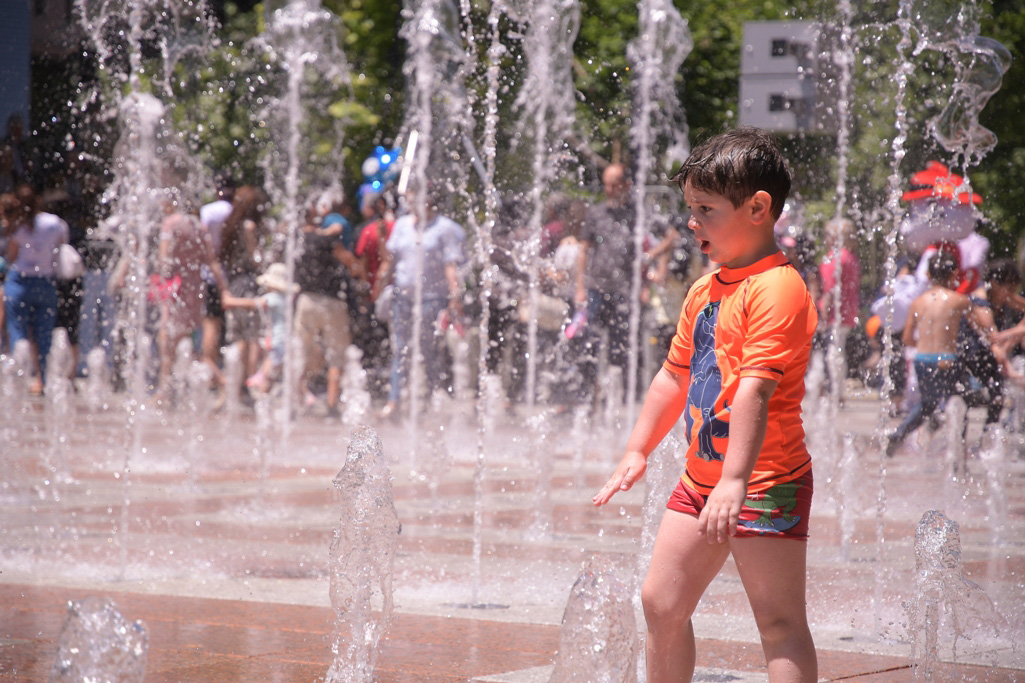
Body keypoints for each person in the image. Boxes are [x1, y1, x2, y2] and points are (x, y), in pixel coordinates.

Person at [592, 127, 819, 683]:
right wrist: (638, 448)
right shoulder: (705, 288)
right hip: (701, 479)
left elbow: (755, 390)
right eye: (690, 208)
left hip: (765, 481)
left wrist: (735, 481)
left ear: (758, 208)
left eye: (705, 209)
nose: (691, 222)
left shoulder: (777, 289)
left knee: (778, 622)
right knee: (661, 602)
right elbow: (674, 376)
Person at [884, 250, 996, 456]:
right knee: (959, 403)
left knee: (928, 403)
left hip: (922, 359)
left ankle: (900, 433)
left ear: (927, 275)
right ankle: (957, 454)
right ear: (955, 274)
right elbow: (983, 328)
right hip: (947, 359)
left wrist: (925, 346)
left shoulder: (918, 302)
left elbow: (907, 339)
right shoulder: (959, 300)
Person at [376, 184, 466, 420]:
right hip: (402, 297)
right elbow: (391, 259)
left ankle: (432, 398)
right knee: (401, 348)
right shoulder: (403, 225)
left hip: (433, 299)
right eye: (408, 201)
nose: (410, 205)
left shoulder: (445, 228)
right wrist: (380, 283)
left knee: (428, 348)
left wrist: (455, 297)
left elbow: (450, 265)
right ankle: (394, 402)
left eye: (414, 200)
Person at [574, 163, 639, 399]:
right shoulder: (596, 213)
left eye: (613, 185)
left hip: (623, 291)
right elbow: (584, 250)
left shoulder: (635, 215)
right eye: (606, 185)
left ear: (626, 185)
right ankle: (588, 395)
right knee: (588, 342)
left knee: (619, 345)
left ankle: (615, 398)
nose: (608, 189)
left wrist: (651, 262)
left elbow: (668, 236)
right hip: (595, 289)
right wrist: (580, 287)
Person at [154, 200, 229, 401]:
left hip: (175, 288)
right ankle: (167, 390)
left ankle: (165, 391)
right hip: (195, 289)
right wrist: (224, 289)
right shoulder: (198, 226)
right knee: (184, 341)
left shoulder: (170, 224)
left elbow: (164, 260)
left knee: (168, 340)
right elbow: (211, 261)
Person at [294, 208, 362, 418]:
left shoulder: (299, 240)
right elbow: (352, 264)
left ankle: (294, 401)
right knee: (336, 355)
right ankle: (332, 406)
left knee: (300, 352)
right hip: (332, 302)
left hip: (306, 300)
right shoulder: (330, 242)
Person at [2, 185, 69, 393]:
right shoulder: (54, 223)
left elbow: (12, 256)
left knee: (18, 332)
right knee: (44, 334)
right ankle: (43, 380)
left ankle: (18, 382)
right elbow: (62, 246)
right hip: (45, 281)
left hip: (20, 282)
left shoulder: (18, 225)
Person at [218, 185, 268, 405]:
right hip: (248, 283)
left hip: (234, 282)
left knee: (239, 336)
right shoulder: (249, 226)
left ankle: (233, 386)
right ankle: (244, 385)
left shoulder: (231, 225)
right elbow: (256, 259)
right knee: (250, 337)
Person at [245, 262, 299, 395]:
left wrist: (230, 301)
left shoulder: (274, 297)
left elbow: (254, 303)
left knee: (270, 370)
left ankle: (261, 379)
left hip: (279, 339)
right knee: (277, 372)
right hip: (286, 338)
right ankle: (304, 395)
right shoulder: (286, 298)